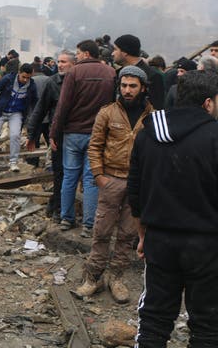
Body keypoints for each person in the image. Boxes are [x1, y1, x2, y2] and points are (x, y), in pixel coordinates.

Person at [128, 70, 218, 346]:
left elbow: (135, 194)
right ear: (208, 103)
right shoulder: (214, 136)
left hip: (159, 239)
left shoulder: (148, 134)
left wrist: (143, 236)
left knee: (154, 319)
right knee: (207, 325)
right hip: (207, 245)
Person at [76, 66, 153, 302]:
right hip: (111, 179)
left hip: (138, 184)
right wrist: (99, 175)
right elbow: (95, 146)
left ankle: (116, 278)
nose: (127, 91)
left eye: (133, 86)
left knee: (128, 234)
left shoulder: (153, 117)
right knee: (101, 231)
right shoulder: (107, 113)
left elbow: (157, 151)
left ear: (143, 88)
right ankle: (93, 277)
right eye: (124, 85)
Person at [50, 39, 116, 236]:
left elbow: (63, 106)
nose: (76, 56)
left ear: (86, 53)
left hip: (72, 134)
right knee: (91, 179)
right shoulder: (110, 73)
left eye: (78, 53)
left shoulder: (74, 73)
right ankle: (89, 224)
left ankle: (66, 218)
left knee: (69, 176)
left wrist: (55, 132)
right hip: (98, 135)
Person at [27, 50, 76, 221]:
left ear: (74, 64)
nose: (60, 65)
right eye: (59, 61)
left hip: (78, 134)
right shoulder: (53, 82)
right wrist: (32, 133)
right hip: (59, 135)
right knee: (59, 172)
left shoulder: (81, 83)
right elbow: (41, 109)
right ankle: (58, 207)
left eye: (64, 62)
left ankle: (63, 205)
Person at [0, 63, 38, 172]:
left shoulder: (32, 86)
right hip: (0, 111)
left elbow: (35, 101)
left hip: (16, 113)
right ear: (19, 73)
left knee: (15, 135)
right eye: (23, 77)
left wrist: (34, 114)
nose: (25, 80)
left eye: (28, 77)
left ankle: (13, 162)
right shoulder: (8, 79)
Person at [112, 34, 165, 110]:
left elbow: (157, 108)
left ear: (125, 52)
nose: (112, 53)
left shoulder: (153, 76)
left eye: (115, 49)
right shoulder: (117, 74)